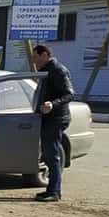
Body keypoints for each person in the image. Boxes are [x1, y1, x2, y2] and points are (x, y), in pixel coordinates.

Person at [31, 45, 75, 202]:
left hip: (56, 119)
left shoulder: (57, 70)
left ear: (45, 55)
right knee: (49, 154)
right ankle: (50, 189)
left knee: (52, 155)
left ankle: (55, 191)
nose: (34, 61)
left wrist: (52, 104)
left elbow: (69, 94)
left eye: (36, 57)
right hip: (47, 119)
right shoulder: (46, 71)